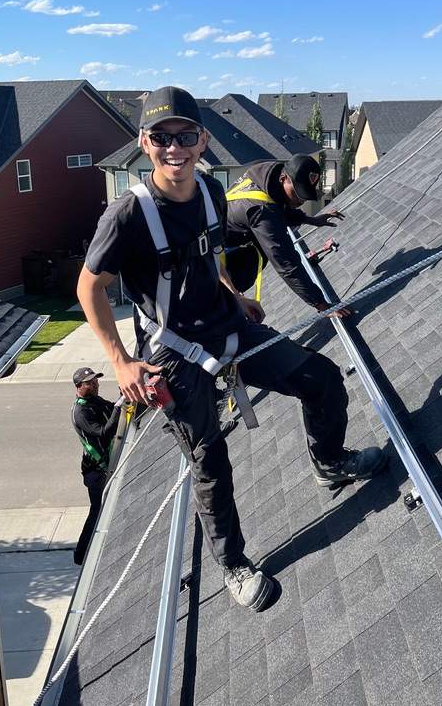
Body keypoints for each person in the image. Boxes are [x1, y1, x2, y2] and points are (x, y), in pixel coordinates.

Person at [76, 86, 386, 612]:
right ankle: (234, 564)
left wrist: (233, 294)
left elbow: (211, 253)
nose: (175, 149)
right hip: (173, 349)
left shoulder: (209, 192)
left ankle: (330, 461)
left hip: (226, 324)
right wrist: (120, 361)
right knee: (209, 459)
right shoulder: (128, 215)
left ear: (202, 141)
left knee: (322, 378)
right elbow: (89, 287)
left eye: (185, 137)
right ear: (144, 143)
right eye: (161, 138)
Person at [224, 154, 348, 315]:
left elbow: (277, 206)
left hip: (224, 240)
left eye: (305, 195)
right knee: (257, 256)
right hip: (216, 260)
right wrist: (321, 304)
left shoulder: (267, 173)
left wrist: (310, 220)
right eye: (297, 193)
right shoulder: (261, 211)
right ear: (283, 179)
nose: (301, 201)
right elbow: (287, 264)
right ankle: (225, 304)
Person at [71, 367, 122, 565]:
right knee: (98, 510)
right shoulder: (81, 412)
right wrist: (119, 408)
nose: (95, 384)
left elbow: (112, 408)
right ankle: (81, 554)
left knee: (100, 508)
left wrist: (122, 399)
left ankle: (84, 551)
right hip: (95, 471)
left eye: (95, 381)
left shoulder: (94, 401)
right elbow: (103, 432)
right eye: (89, 383)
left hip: (102, 466)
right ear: (79, 387)